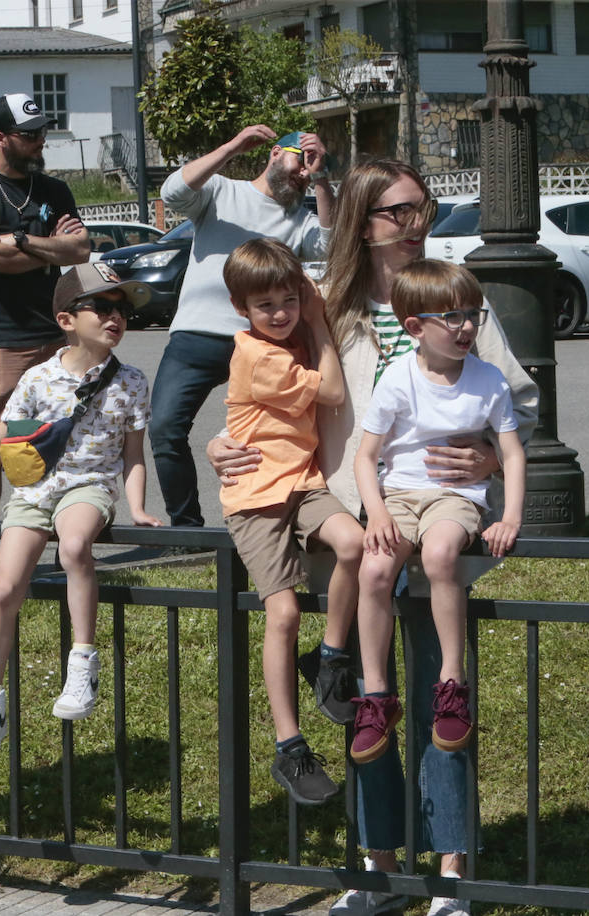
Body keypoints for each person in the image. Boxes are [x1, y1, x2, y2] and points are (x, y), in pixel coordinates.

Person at [208, 159, 538, 916]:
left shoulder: (457, 297)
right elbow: (260, 394)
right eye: (396, 212)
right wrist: (219, 446)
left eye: (421, 208)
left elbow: (517, 404)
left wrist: (489, 457)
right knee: (370, 706)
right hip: (362, 527)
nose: (414, 223)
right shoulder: (332, 305)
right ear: (361, 219)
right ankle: (377, 869)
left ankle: (452, 874)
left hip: (446, 524)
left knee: (443, 705)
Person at [0, 262, 161, 754]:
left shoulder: (131, 381)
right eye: (101, 307)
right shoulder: (37, 379)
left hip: (89, 487)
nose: (115, 318)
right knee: (3, 588)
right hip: (34, 493)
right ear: (66, 319)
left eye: (122, 310)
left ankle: (83, 663)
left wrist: (139, 506)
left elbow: (133, 456)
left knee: (76, 546)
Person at [350, 260, 525, 767]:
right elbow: (366, 456)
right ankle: (378, 698)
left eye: (473, 314)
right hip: (399, 497)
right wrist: (377, 514)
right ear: (415, 328)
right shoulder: (398, 379)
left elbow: (511, 453)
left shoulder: (488, 380)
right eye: (452, 316)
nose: (467, 326)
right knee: (377, 568)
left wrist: (508, 515)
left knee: (443, 552)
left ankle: (452, 684)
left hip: (456, 496)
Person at [219, 238, 364, 805]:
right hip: (255, 494)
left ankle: (328, 659)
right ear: (242, 310)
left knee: (352, 543)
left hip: (302, 483)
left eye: (289, 300)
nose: (281, 314)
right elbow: (330, 391)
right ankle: (289, 746)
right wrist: (320, 323)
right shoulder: (260, 357)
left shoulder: (287, 331)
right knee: (282, 612)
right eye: (266, 306)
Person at [151, 126, 336, 531]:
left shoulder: (301, 219)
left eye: (311, 167)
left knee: (285, 429)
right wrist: (232, 146)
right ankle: (187, 530)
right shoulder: (221, 190)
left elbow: (331, 246)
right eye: (299, 161)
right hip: (199, 334)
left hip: (265, 342)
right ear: (273, 153)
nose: (302, 174)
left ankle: (275, 513)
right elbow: (172, 193)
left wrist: (323, 179)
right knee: (164, 426)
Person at [0, 92, 91, 573]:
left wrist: (22, 240)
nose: (39, 142)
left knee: (62, 439)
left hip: (56, 333)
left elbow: (81, 251)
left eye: (42, 133)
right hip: (1, 340)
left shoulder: (54, 189)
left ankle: (61, 541)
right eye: (29, 135)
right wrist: (49, 245)